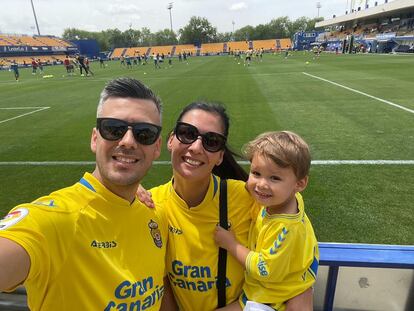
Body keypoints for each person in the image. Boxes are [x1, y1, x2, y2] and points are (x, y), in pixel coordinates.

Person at [0, 77, 168, 310]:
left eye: (145, 133)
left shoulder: (155, 216)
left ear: (157, 147)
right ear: (95, 138)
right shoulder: (55, 220)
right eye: (113, 129)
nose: (128, 141)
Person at [147, 102, 313, 311]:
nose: (196, 147)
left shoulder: (248, 197)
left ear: (220, 156)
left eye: (212, 141)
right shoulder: (150, 204)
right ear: (171, 139)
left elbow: (297, 249)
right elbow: (159, 281)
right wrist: (131, 192)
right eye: (187, 133)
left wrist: (302, 294)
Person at [215, 131, 319, 311]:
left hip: (270, 300)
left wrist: (231, 244)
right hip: (280, 289)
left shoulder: (284, 228)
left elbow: (264, 269)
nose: (261, 184)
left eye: (275, 178)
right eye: (256, 173)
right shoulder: (287, 200)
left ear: (299, 184)